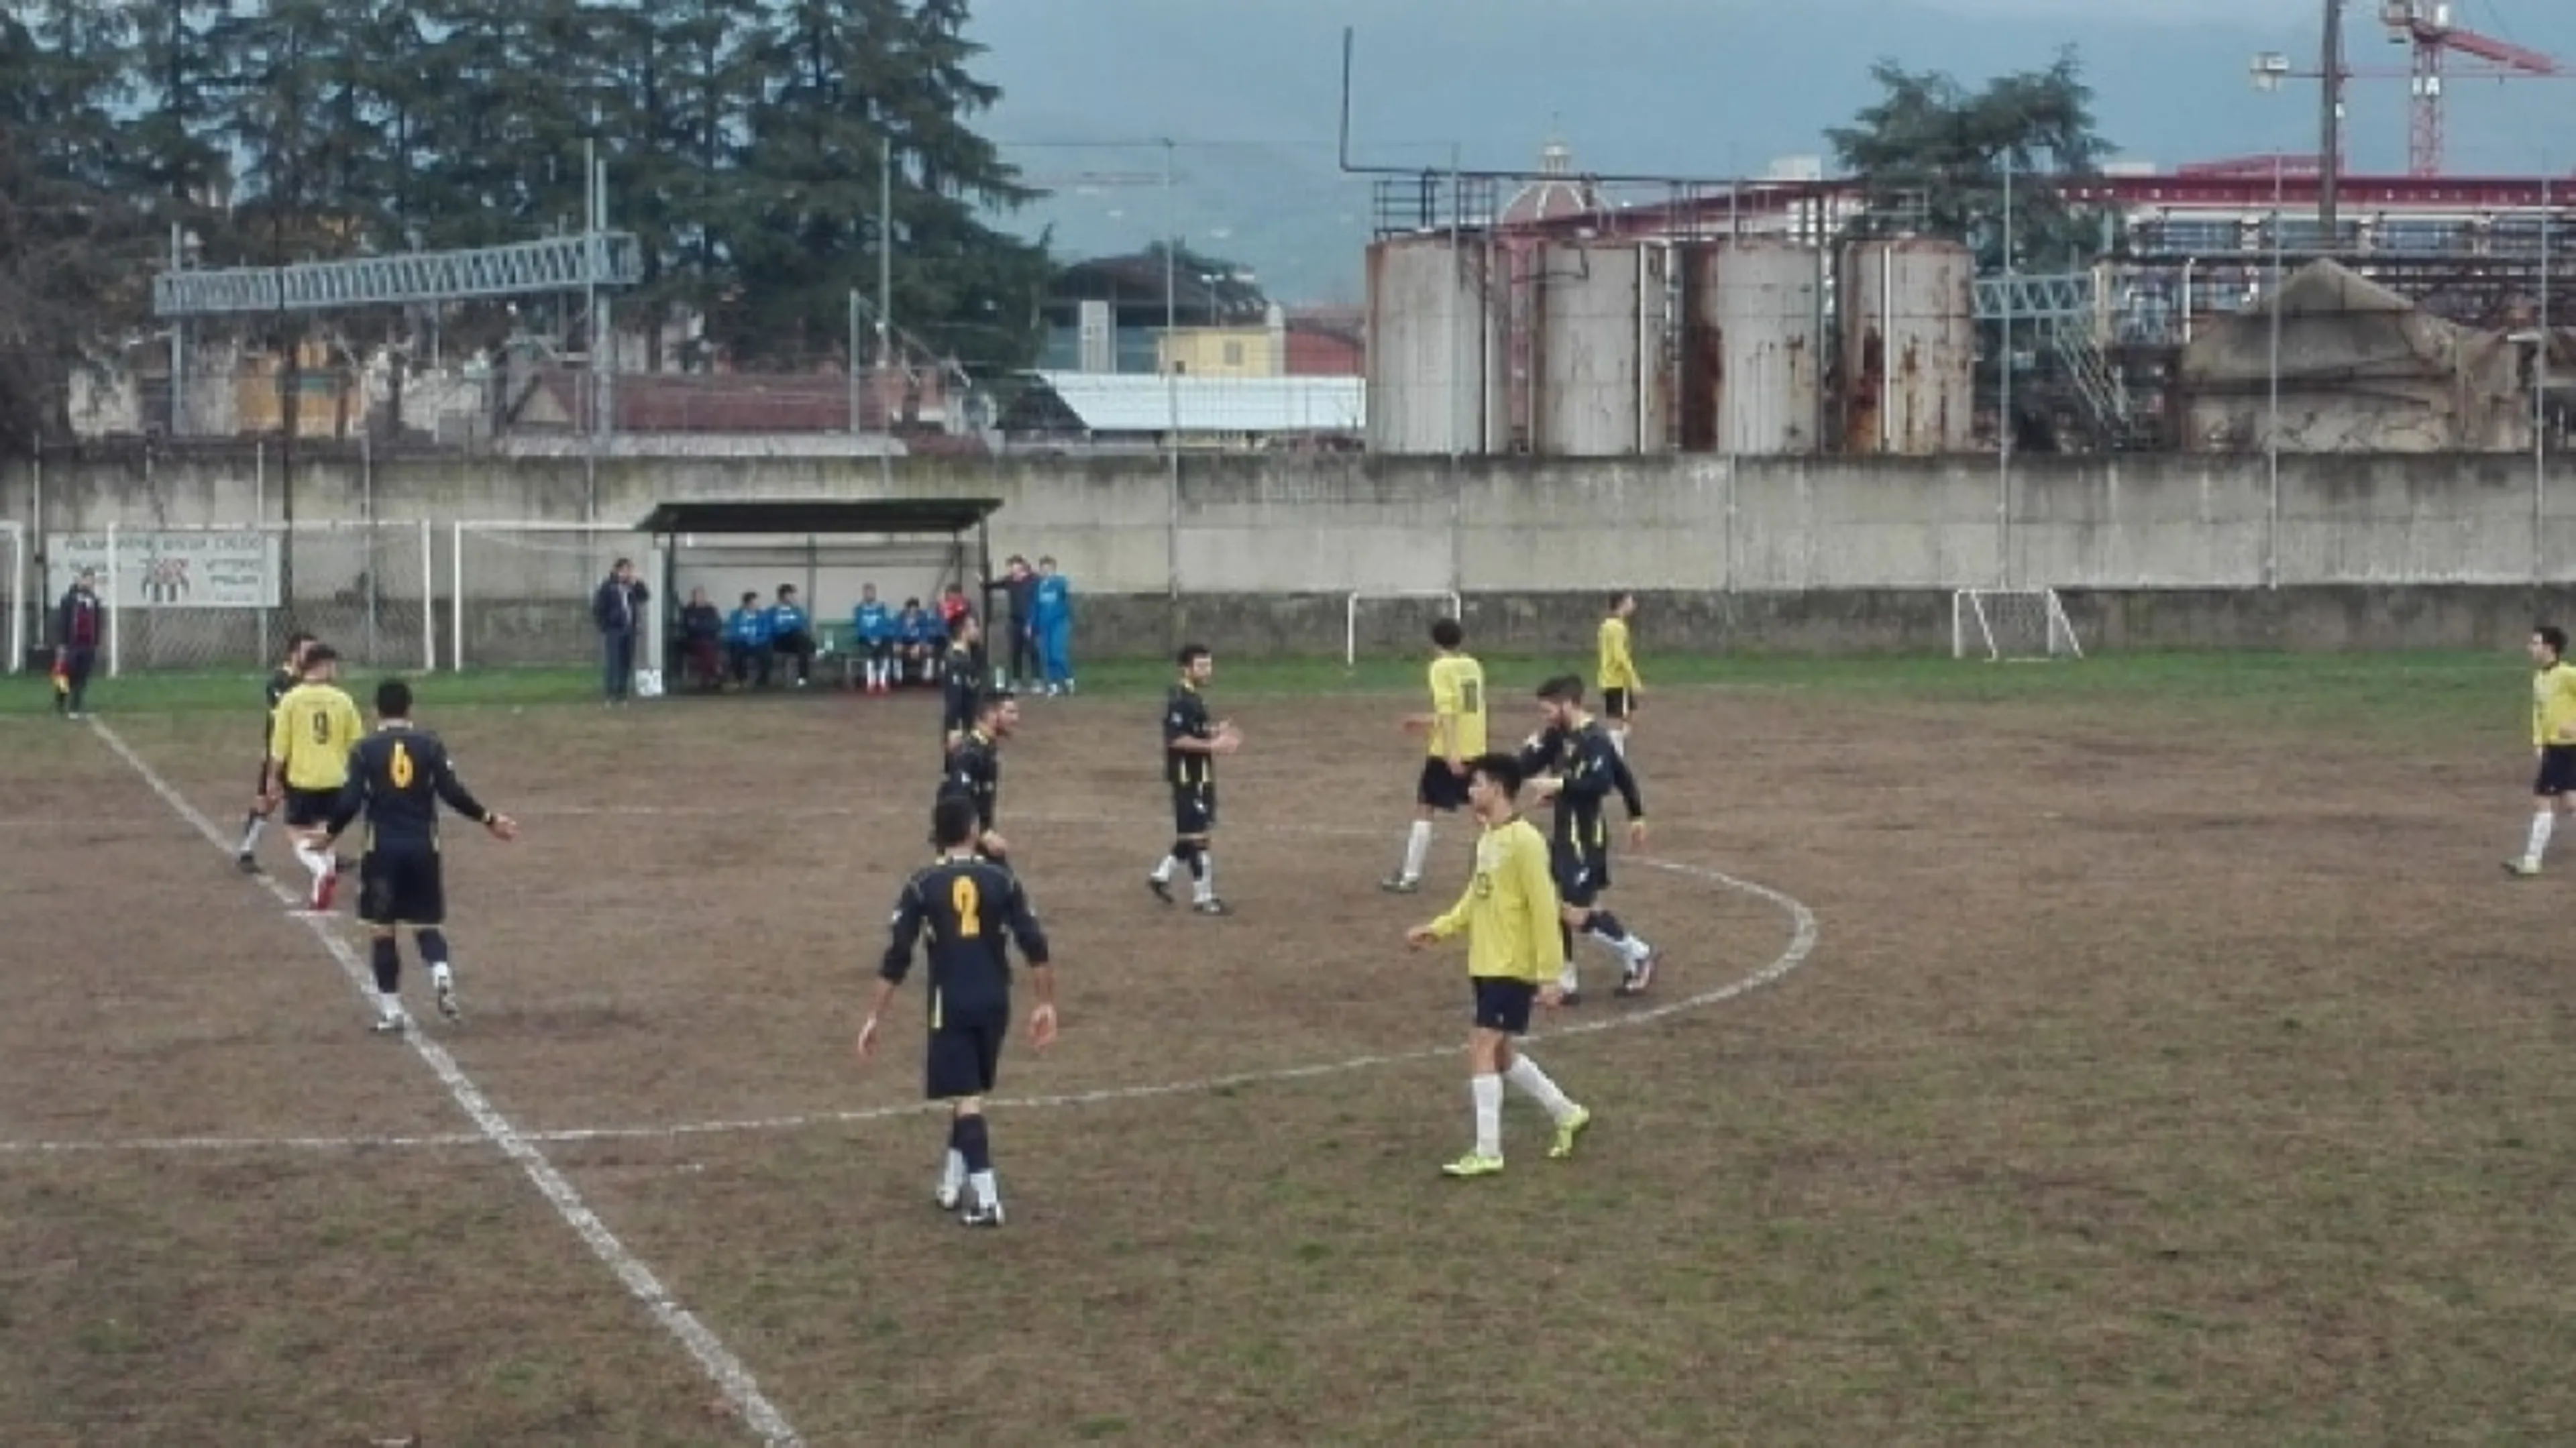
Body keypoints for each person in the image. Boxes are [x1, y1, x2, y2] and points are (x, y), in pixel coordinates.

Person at [858, 793, 1059, 1227]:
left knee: (966, 1097)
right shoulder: (1002, 879)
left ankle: (987, 1200)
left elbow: (898, 956)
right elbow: (1035, 942)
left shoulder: (922, 884)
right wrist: (1045, 1002)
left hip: (951, 1002)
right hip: (995, 1000)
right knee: (967, 1090)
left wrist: (875, 1015)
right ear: (973, 830)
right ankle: (951, 1181)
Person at [1404, 752, 1592, 1178]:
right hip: (1486, 962)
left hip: (1512, 965)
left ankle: (1488, 1150)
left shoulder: (1525, 842)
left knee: (1481, 1045)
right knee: (1503, 1054)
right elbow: (1476, 898)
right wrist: (1437, 929)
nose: (1470, 791)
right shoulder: (1489, 838)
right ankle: (1567, 1112)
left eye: (1477, 784)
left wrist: (1551, 975)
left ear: (1501, 789)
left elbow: (1546, 910)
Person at [317, 678, 519, 1034]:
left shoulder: (364, 750)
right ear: (410, 709)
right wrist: (489, 819)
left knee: (383, 932)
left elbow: (349, 802)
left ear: (376, 711)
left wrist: (329, 834)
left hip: (382, 852)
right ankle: (441, 975)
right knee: (426, 924)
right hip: (424, 848)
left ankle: (392, 1011)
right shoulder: (430, 744)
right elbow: (452, 792)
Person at [1522, 675, 1660, 999]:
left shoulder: (1594, 739)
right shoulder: (1560, 734)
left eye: (1548, 710)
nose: (1545, 717)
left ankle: (1639, 954)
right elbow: (1528, 765)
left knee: (1573, 912)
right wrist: (1529, 750)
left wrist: (1559, 786)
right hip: (1565, 834)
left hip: (1584, 839)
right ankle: (1565, 980)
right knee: (1557, 903)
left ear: (1567, 704)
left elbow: (1604, 781)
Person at [1381, 618, 1487, 895]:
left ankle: (1409, 875)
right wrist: (1428, 721)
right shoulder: (1473, 665)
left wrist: (1451, 750)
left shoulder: (1440, 667)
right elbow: (1465, 710)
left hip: (1447, 751)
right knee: (1482, 812)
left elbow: (1449, 709)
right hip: (1476, 745)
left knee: (1425, 806)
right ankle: (1489, 875)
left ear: (1434, 641)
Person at [263, 644, 366, 912]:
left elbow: (279, 747)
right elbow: (357, 744)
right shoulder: (342, 700)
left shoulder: (291, 699)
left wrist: (273, 779)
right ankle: (326, 872)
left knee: (295, 830)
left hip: (303, 779)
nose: (336, 669)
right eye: (333, 664)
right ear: (322, 665)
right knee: (325, 831)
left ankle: (321, 871)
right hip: (336, 778)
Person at [1148, 643, 1238, 915]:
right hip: (1186, 777)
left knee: (1192, 832)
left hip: (1201, 775)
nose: (1207, 670)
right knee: (1198, 837)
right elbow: (1177, 740)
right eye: (1201, 666)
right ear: (1185, 669)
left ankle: (1161, 876)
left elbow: (1194, 731)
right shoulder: (1179, 699)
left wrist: (1213, 731)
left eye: (1209, 665)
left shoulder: (1195, 698)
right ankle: (1204, 897)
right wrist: (1215, 745)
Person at [235, 630, 317, 873]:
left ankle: (320, 850)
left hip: (304, 754)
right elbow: (284, 716)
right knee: (266, 802)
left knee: (313, 804)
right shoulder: (279, 682)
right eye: (308, 651)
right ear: (294, 654)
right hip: (279, 754)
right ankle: (246, 851)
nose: (313, 656)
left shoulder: (311, 681)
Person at [2509, 624, 2576, 876]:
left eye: (2535, 643)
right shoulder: (2539, 679)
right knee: (2570, 802)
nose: (2530, 648)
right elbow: (2539, 713)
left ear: (2549, 648)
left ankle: (2531, 860)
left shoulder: (2568, 674)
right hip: (2554, 747)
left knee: (2542, 799)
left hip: (2564, 748)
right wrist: (2538, 741)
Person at [939, 690, 1018, 863]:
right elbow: (955, 797)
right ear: (991, 715)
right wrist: (984, 834)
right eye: (1010, 712)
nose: (1015, 719)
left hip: (976, 842)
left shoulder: (985, 749)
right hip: (964, 846)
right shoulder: (971, 753)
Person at [592, 557, 649, 705]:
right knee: (613, 663)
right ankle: (610, 694)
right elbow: (598, 608)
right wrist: (604, 625)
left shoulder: (632, 587)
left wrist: (637, 584)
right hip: (614, 630)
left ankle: (622, 694)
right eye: (624, 570)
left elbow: (645, 596)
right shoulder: (608, 587)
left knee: (626, 662)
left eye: (629, 570)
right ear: (617, 571)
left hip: (629, 629)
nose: (627, 573)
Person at [1597, 591, 1642, 757]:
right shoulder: (1617, 627)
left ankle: (1614, 748)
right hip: (1617, 680)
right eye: (1630, 601)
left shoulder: (1607, 625)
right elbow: (1619, 655)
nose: (1633, 605)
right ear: (1622, 603)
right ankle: (1615, 755)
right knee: (1620, 720)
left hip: (1608, 678)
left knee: (1624, 716)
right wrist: (1633, 677)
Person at [53, 567, 101, 718]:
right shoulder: (69, 599)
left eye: (92, 580)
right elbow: (63, 622)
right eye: (86, 579)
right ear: (80, 580)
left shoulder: (94, 600)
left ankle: (76, 706)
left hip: (88, 644)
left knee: (82, 677)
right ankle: (60, 703)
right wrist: (62, 644)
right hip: (72, 644)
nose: (89, 582)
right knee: (65, 675)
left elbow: (97, 622)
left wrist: (96, 642)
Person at [941, 612, 984, 754]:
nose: (978, 631)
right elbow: (954, 699)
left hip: (973, 720)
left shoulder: (974, 653)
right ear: (963, 631)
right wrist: (953, 729)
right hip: (961, 724)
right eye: (974, 627)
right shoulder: (954, 660)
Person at [1030, 556, 1074, 695]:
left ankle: (1068, 679)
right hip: (1044, 625)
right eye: (1043, 569)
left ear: (1054, 569)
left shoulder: (1059, 582)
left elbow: (1065, 590)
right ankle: (1054, 683)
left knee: (1057, 654)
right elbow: (1035, 606)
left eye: (1048, 569)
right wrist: (1031, 624)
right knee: (1047, 655)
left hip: (1059, 623)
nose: (1045, 571)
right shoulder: (1039, 586)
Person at [767, 583, 816, 687]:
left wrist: (792, 627)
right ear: (783, 596)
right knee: (801, 638)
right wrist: (789, 628)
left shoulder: (797, 610)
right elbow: (773, 629)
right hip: (781, 640)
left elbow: (804, 624)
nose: (794, 598)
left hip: (797, 641)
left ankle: (803, 678)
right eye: (791, 595)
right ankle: (803, 678)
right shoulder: (773, 611)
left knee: (803, 646)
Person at [1000, 555, 1038, 689]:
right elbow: (993, 584)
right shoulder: (1009, 581)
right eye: (1010, 567)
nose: (1012, 569)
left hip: (1029, 621)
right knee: (1015, 651)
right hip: (1015, 621)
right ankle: (1017, 680)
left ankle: (1036, 680)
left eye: (1014, 566)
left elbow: (1036, 599)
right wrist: (982, 582)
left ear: (1021, 566)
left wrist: (1031, 622)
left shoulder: (1033, 580)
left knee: (1033, 651)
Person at [853, 584, 898, 695]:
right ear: (864, 594)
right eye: (867, 592)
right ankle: (871, 682)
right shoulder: (859, 609)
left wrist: (879, 637)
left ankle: (882, 681)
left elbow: (885, 624)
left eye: (872, 592)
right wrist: (870, 637)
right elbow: (860, 626)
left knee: (885, 650)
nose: (870, 595)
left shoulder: (882, 608)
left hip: (881, 637)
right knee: (871, 653)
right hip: (866, 638)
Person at [678, 588, 724, 691]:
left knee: (709, 649)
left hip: (711, 640)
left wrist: (701, 625)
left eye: (702, 596)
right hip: (694, 641)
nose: (700, 598)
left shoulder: (711, 609)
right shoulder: (689, 610)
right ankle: (716, 675)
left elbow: (717, 625)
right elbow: (690, 628)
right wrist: (705, 626)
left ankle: (707, 679)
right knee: (707, 649)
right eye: (697, 596)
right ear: (693, 597)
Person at [724, 591, 773, 687]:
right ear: (747, 604)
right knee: (735, 651)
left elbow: (766, 632)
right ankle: (742, 679)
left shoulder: (762, 615)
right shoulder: (736, 615)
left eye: (757, 603)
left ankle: (762, 681)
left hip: (758, 643)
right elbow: (733, 632)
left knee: (767, 651)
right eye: (754, 603)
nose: (757, 606)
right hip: (742, 643)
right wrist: (746, 639)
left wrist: (756, 640)